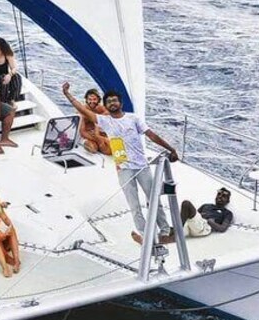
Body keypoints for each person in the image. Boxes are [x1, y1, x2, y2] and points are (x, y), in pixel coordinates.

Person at [62, 82, 178, 244]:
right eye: (109, 101)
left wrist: (171, 149)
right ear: (106, 106)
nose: (112, 103)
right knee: (134, 205)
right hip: (124, 169)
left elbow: (151, 135)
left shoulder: (133, 118)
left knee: (154, 199)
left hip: (142, 166)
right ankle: (146, 235)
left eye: (114, 100)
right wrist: (67, 94)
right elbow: (82, 109)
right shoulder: (104, 121)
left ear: (121, 103)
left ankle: (165, 230)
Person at [67, 88, 112, 155]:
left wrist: (101, 136)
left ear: (98, 100)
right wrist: (97, 139)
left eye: (94, 99)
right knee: (93, 149)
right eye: (89, 99)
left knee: (109, 148)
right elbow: (82, 132)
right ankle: (85, 144)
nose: (92, 102)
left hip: (97, 132)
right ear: (86, 100)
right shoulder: (81, 112)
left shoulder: (101, 109)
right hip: (85, 134)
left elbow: (110, 114)